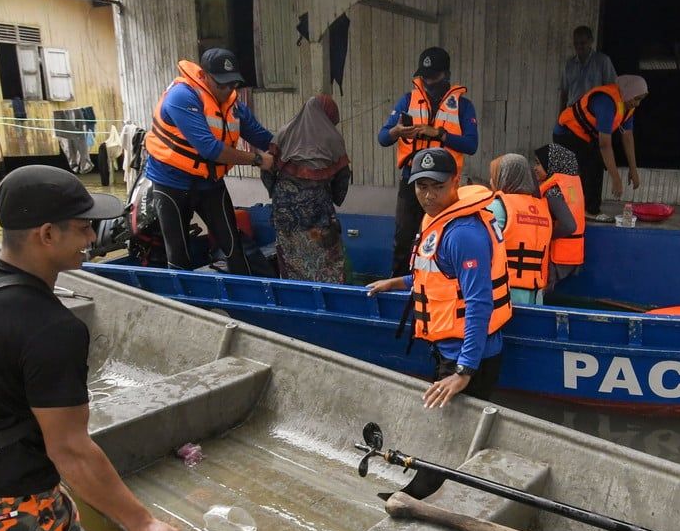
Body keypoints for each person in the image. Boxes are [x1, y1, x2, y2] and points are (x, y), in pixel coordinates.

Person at [0, 165, 184, 531]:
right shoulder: (52, 329)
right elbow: (71, 450)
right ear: (46, 234)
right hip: (16, 521)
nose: (92, 237)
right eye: (82, 227)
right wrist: (141, 523)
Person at [366, 148, 511, 407]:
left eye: (438, 186)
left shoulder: (463, 234)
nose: (429, 195)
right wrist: (397, 282)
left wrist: (464, 371)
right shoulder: (439, 219)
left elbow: (480, 303)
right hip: (451, 349)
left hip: (468, 356)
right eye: (422, 186)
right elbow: (440, 277)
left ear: (456, 182)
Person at [143, 48, 276, 274]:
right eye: (221, 84)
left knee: (233, 246)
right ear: (203, 76)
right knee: (178, 254)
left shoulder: (234, 106)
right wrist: (256, 159)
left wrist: (293, 149)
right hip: (171, 182)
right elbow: (210, 148)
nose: (227, 90)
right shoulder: (182, 96)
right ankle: (185, 307)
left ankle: (247, 302)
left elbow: (262, 137)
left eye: (232, 84)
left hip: (209, 182)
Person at [378, 46, 480, 276]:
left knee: (444, 238)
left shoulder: (463, 105)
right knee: (404, 238)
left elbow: (471, 145)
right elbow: (383, 138)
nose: (428, 82)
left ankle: (444, 286)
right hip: (412, 181)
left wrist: (439, 134)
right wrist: (398, 131)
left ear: (446, 74)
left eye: (434, 76)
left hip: (445, 185)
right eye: (424, 77)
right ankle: (399, 289)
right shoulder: (408, 100)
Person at [267, 94, 352, 283]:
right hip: (318, 213)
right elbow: (342, 177)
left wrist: (276, 193)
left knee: (291, 258)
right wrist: (336, 197)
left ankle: (296, 299)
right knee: (327, 260)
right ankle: (327, 299)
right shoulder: (334, 139)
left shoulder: (283, 132)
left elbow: (267, 170)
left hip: (285, 213)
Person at [553, 75, 647, 222]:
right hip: (567, 133)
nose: (638, 104)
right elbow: (604, 145)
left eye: (640, 99)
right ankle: (589, 210)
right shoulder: (606, 102)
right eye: (636, 99)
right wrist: (615, 177)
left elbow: (628, 137)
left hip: (586, 135)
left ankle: (586, 206)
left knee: (595, 163)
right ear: (628, 92)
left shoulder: (628, 106)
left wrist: (633, 169)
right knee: (593, 163)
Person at [488, 153, 576, 304]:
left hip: (504, 295)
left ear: (504, 177)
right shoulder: (543, 209)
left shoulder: (497, 208)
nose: (491, 181)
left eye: (494, 175)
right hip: (536, 297)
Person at [533, 142, 585, 288]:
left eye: (538, 163)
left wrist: (547, 235)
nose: (534, 168)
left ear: (553, 164)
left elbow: (569, 225)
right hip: (572, 253)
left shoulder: (553, 192)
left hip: (558, 257)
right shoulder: (570, 186)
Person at [559, 25, 617, 111]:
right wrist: (561, 116)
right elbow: (564, 93)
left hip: (594, 113)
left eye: (582, 43)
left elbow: (612, 89)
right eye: (576, 43)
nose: (579, 46)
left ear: (591, 41)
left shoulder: (603, 61)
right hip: (573, 113)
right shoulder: (569, 64)